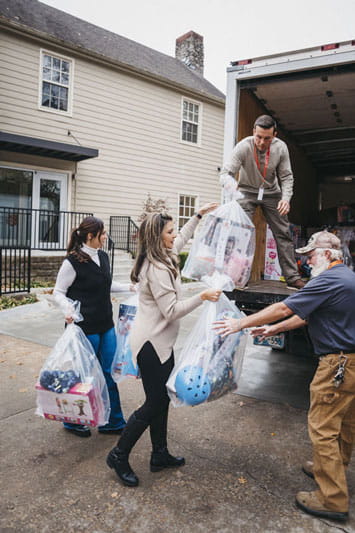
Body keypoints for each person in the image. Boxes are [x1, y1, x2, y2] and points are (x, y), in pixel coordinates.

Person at [214, 230, 355, 522]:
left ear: (327, 255)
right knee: (344, 425)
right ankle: (329, 468)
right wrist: (274, 329)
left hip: (337, 364)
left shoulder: (328, 278)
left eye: (311, 255)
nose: (306, 262)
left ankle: (332, 499)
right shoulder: (346, 278)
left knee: (323, 428)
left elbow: (282, 307)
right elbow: (305, 314)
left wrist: (240, 323)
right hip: (351, 363)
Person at [106, 204, 222, 487]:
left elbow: (181, 238)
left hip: (162, 343)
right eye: (169, 232)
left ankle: (159, 454)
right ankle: (119, 454)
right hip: (151, 344)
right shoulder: (157, 268)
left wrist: (197, 216)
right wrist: (202, 297)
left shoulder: (164, 255)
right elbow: (171, 310)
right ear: (158, 237)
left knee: (162, 399)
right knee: (154, 402)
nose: (174, 236)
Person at [54, 216, 133, 438]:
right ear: (91, 236)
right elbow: (58, 292)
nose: (106, 236)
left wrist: (129, 287)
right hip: (83, 328)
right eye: (103, 233)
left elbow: (106, 284)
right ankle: (72, 421)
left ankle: (113, 421)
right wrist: (67, 310)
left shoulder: (103, 256)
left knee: (109, 373)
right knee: (83, 376)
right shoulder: (72, 262)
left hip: (106, 325)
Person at [219, 114, 304, 290]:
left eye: (267, 138)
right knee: (241, 232)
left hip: (272, 193)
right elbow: (225, 174)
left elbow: (286, 176)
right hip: (246, 192)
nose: (261, 142)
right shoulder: (243, 146)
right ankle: (239, 277)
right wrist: (232, 188)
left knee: (283, 233)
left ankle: (292, 277)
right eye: (258, 137)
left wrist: (286, 199)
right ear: (253, 132)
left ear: (274, 135)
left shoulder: (281, 148)